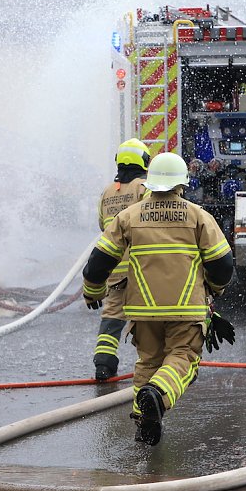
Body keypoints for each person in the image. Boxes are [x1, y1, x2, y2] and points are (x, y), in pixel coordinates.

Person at [82, 152, 235, 446]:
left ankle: (144, 425)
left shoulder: (129, 216)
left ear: (150, 182)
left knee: (148, 364)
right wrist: (216, 288)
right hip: (185, 309)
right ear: (182, 184)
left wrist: (92, 289)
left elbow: (99, 261)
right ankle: (157, 398)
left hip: (142, 312)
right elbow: (222, 264)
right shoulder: (198, 216)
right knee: (183, 358)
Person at [88, 138, 150, 382]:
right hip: (141, 266)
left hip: (114, 267)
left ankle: (103, 363)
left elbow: (103, 226)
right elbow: (150, 224)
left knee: (112, 315)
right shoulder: (143, 187)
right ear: (144, 161)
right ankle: (153, 364)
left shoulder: (107, 192)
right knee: (148, 315)